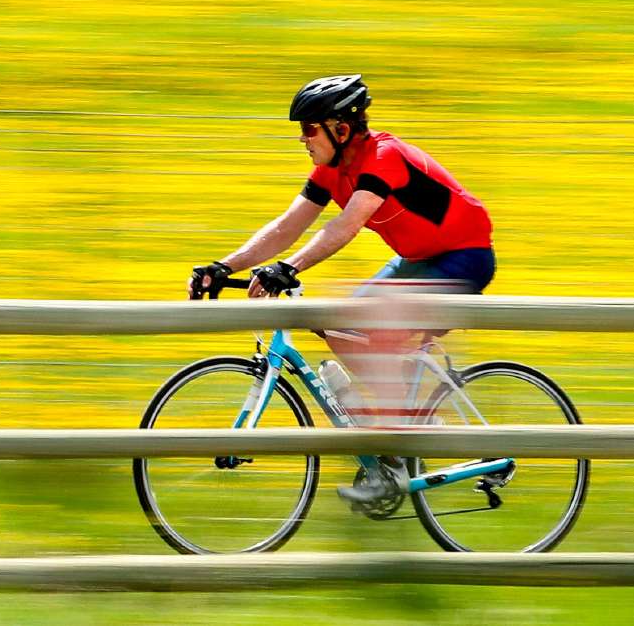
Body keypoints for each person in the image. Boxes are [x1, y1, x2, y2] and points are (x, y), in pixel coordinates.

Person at [188, 74, 496, 505]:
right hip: (415, 261)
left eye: (309, 129)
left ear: (341, 129)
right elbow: (287, 226)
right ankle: (401, 431)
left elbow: (345, 225)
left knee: (376, 324)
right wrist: (224, 266)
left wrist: (288, 269)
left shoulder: (384, 158)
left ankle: (404, 438)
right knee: (336, 328)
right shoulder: (332, 171)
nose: (303, 139)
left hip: (463, 258)